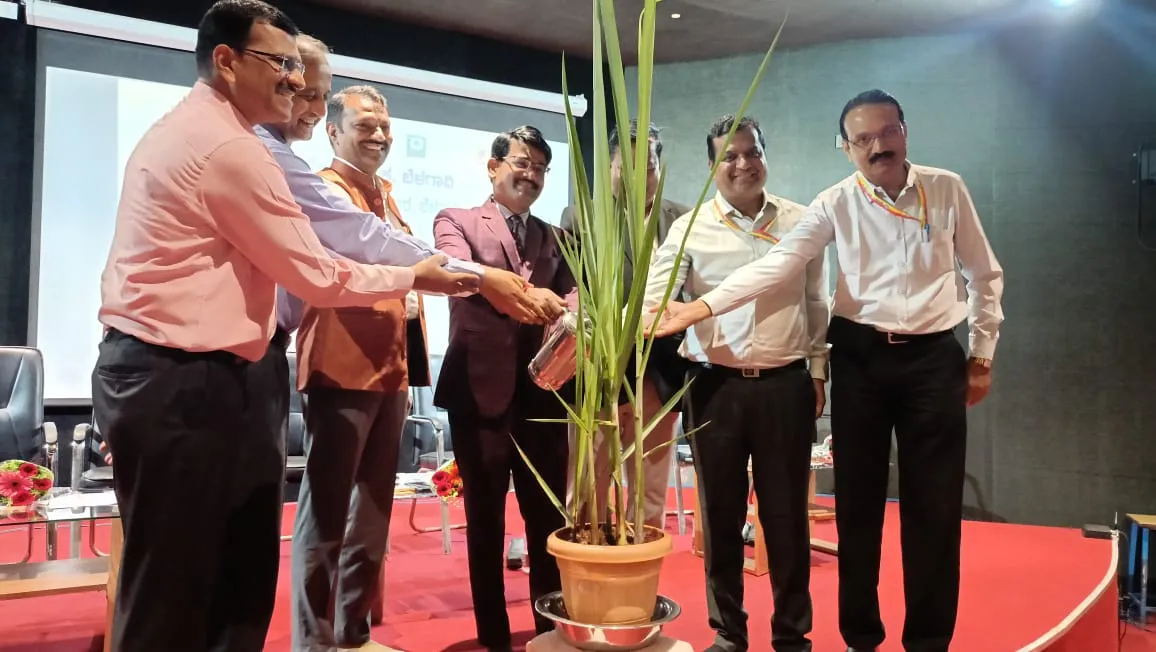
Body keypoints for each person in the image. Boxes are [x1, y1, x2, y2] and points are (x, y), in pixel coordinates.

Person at [91, 3, 479, 652]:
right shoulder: (227, 147)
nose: (296, 85)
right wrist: (422, 277)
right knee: (175, 590)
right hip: (182, 380)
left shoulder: (234, 138)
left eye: (303, 73)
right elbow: (319, 272)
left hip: (224, 375)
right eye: (282, 66)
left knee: (234, 582)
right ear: (226, 61)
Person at [649, 90, 1005, 652]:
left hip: (934, 359)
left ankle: (929, 640)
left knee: (935, 506)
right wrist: (701, 308)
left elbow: (984, 275)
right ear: (845, 147)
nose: (878, 146)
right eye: (863, 138)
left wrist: (981, 355)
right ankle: (860, 637)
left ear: (905, 131)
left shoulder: (946, 188)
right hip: (859, 358)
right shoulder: (833, 203)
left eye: (887, 132)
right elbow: (778, 266)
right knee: (856, 505)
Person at [645, 114, 828, 652]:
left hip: (785, 386)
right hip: (714, 389)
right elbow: (656, 303)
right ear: (711, 167)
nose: (743, 164)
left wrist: (818, 371)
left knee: (786, 519)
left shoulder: (801, 220)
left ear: (765, 156)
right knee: (721, 517)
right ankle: (728, 633)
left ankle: (792, 634)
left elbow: (816, 300)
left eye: (752, 152)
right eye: (729, 156)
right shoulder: (689, 228)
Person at [290, 83, 425, 652]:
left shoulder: (384, 193)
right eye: (365, 125)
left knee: (372, 516)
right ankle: (313, 643)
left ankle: (354, 636)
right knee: (325, 516)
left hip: (390, 369)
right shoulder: (325, 190)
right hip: (340, 367)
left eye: (384, 126)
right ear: (333, 131)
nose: (378, 135)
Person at [433, 126, 574, 652]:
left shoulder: (556, 236)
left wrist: (569, 310)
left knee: (548, 519)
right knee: (485, 521)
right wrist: (523, 292)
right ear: (493, 167)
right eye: (521, 163)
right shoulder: (456, 220)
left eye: (540, 168)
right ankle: (493, 637)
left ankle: (548, 632)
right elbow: (453, 269)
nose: (531, 175)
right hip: (478, 392)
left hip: (545, 393)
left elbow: (575, 293)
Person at [560, 120, 690, 530]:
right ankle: (588, 561)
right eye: (626, 168)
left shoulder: (684, 218)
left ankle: (643, 562)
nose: (638, 178)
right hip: (601, 373)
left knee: (650, 489)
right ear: (610, 166)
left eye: (648, 167)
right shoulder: (582, 216)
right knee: (589, 481)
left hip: (661, 373)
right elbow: (574, 289)